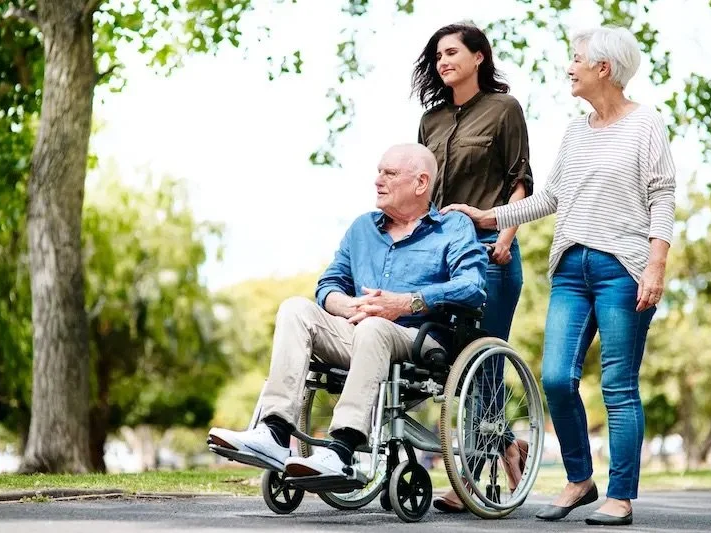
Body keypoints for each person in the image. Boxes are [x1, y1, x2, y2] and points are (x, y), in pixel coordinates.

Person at [442, 26, 676, 527]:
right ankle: (579, 479)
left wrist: (656, 264)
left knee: (617, 384)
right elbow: (549, 199)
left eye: (576, 59)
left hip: (624, 268)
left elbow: (661, 195)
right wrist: (489, 219)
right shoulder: (574, 130)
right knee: (555, 377)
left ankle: (621, 495)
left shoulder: (646, 125)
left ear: (603, 69)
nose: (570, 67)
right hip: (570, 266)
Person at [208, 143, 488, 480]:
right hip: (356, 332)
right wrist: (346, 304)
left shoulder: (452, 227)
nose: (378, 181)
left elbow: (473, 286)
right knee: (295, 309)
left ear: (420, 183)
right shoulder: (362, 229)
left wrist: (404, 302)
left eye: (390, 173)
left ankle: (341, 449)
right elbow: (328, 284)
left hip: (421, 338)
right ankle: (274, 433)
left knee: (373, 327)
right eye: (379, 172)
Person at [412, 22, 533, 513]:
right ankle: (507, 444)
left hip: (489, 250)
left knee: (483, 364)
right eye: (438, 55)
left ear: (479, 57)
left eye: (452, 52)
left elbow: (519, 181)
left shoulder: (504, 110)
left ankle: (471, 479)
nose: (443, 62)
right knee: (442, 361)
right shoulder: (430, 121)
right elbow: (423, 191)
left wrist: (505, 239)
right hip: (441, 254)